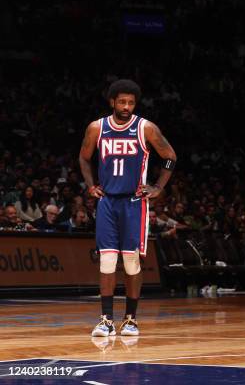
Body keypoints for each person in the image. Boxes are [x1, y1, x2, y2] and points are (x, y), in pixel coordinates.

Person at [79, 79, 177, 338]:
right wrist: (90, 185)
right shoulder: (96, 128)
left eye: (131, 102)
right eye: (122, 101)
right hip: (108, 201)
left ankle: (131, 319)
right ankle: (106, 320)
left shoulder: (145, 128)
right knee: (108, 260)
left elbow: (170, 157)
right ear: (112, 102)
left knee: (131, 262)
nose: (126, 106)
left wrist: (157, 187)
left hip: (134, 203)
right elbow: (84, 157)